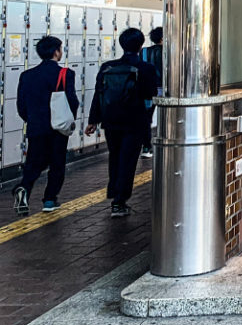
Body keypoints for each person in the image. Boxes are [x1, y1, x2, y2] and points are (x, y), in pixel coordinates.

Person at [85, 28, 158, 217]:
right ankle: (119, 201)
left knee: (115, 157)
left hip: (111, 121)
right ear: (141, 45)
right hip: (135, 121)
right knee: (128, 160)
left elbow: (98, 94)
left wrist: (93, 120)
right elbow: (151, 92)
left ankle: (115, 191)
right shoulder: (146, 68)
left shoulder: (107, 67)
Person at [11, 36, 79, 215]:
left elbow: (21, 105)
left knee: (33, 162)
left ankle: (24, 187)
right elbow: (72, 101)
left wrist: (31, 119)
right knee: (57, 163)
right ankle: (49, 200)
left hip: (36, 126)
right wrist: (69, 121)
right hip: (57, 127)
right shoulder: (65, 73)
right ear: (56, 51)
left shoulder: (27, 75)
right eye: (60, 48)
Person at [139, 27, 163, 159]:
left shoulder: (144, 52)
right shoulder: (170, 50)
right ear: (163, 38)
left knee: (146, 119)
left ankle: (146, 147)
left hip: (148, 89)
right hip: (166, 89)